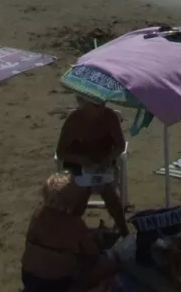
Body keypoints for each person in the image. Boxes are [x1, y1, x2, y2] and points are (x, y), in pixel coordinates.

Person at [19, 174, 121, 292]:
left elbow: (53, 237)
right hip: (56, 283)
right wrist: (97, 240)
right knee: (109, 264)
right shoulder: (75, 224)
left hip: (29, 278)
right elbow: (92, 254)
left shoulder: (38, 214)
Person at [56, 96, 130, 237]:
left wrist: (109, 158)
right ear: (83, 103)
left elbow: (120, 145)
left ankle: (124, 231)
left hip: (103, 165)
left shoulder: (110, 117)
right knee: (81, 195)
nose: (101, 108)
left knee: (110, 195)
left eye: (103, 103)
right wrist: (80, 160)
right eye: (96, 105)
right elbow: (61, 153)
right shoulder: (74, 121)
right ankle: (75, 234)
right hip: (79, 167)